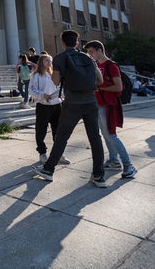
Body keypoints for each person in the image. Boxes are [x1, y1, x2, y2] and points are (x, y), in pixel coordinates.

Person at [34, 30, 106, 187]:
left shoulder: (60, 58)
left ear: (63, 43)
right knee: (95, 138)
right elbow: (99, 80)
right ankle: (99, 176)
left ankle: (48, 169)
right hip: (91, 102)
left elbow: (56, 81)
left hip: (72, 103)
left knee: (62, 136)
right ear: (77, 43)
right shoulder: (88, 57)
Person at [84, 40, 137, 179]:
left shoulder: (111, 66)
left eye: (91, 52)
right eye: (88, 52)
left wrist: (100, 88)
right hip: (98, 104)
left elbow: (118, 87)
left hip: (109, 105)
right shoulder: (97, 66)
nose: (90, 55)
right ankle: (114, 160)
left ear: (100, 50)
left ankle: (129, 165)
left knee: (111, 134)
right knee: (105, 134)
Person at [29, 53, 69, 165]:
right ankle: (42, 153)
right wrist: (42, 95)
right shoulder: (36, 75)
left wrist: (62, 97)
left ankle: (59, 153)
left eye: (50, 60)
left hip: (56, 105)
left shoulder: (54, 74)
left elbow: (60, 88)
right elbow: (32, 90)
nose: (49, 63)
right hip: (43, 106)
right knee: (41, 130)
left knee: (58, 130)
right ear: (41, 62)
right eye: (47, 60)